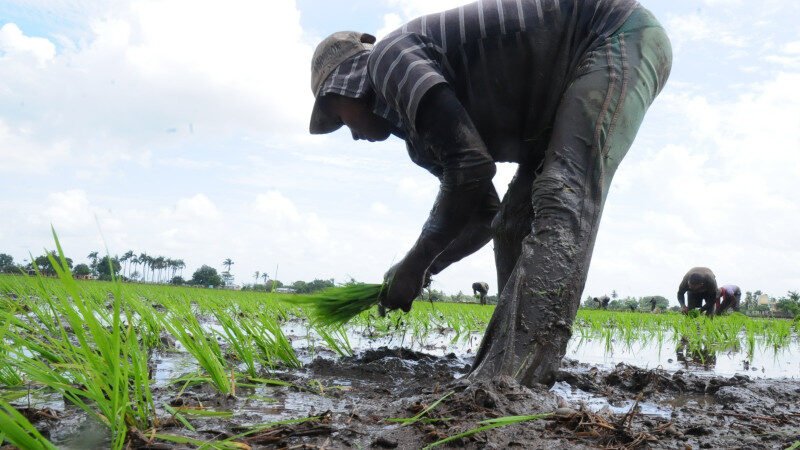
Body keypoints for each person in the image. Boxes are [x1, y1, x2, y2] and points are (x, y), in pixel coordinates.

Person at [309, 0, 671, 385]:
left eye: (336, 114)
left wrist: (414, 263)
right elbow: (483, 218)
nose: (347, 130)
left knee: (563, 191)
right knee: (513, 223)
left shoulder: (387, 59)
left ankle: (513, 376)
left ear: (347, 83)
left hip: (612, 35)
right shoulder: (419, 140)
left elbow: (470, 167)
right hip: (555, 99)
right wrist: (422, 269)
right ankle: (506, 368)